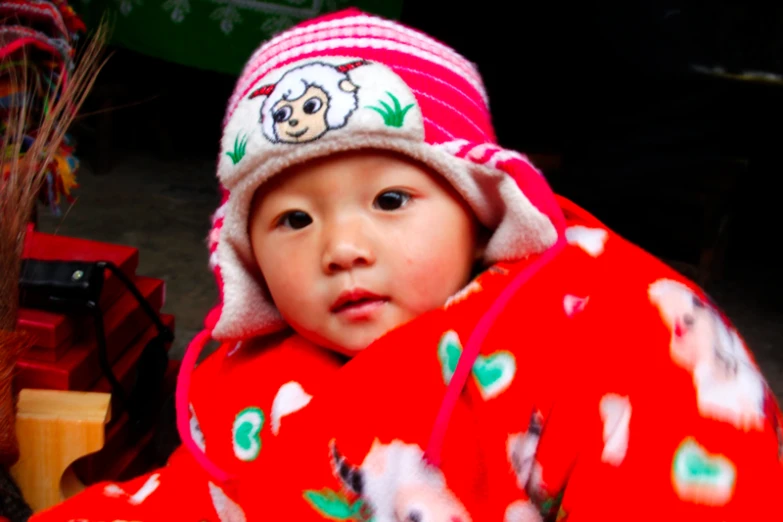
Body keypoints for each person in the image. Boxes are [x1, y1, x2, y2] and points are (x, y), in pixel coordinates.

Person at [31, 8, 782, 522]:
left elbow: (690, 479)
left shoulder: (608, 327)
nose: (342, 248)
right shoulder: (250, 376)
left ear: (477, 205)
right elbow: (205, 500)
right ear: (247, 257)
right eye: (293, 219)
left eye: (390, 200)